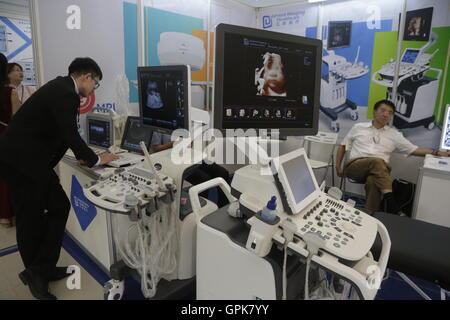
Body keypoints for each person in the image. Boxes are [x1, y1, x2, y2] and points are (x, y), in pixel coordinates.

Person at [0, 57, 119, 300]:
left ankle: (42, 268)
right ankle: (36, 274)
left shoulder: (62, 88)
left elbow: (63, 133)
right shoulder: (66, 93)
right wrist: (96, 160)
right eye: (95, 83)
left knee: (55, 207)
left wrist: (82, 155)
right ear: (87, 76)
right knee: (31, 216)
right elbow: (70, 132)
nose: (94, 89)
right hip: (21, 162)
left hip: (29, 160)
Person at [336, 99, 450, 214]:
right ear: (375, 111)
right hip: (355, 167)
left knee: (374, 181)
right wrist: (338, 167)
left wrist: (436, 153)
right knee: (377, 162)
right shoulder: (358, 127)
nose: (386, 114)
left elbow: (413, 149)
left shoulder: (394, 134)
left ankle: (370, 214)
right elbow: (342, 146)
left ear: (391, 117)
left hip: (378, 173)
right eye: (383, 110)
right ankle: (390, 201)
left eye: (390, 113)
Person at [151, 131, 231, 207]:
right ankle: (200, 210)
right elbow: (156, 149)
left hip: (188, 155)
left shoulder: (182, 122)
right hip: (171, 161)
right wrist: (174, 144)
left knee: (223, 173)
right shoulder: (158, 127)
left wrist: (188, 141)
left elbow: (190, 143)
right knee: (204, 180)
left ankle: (224, 206)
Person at [0, 53, 20, 228]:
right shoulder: (10, 92)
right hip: (6, 138)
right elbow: (18, 120)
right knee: (7, 177)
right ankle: (7, 216)